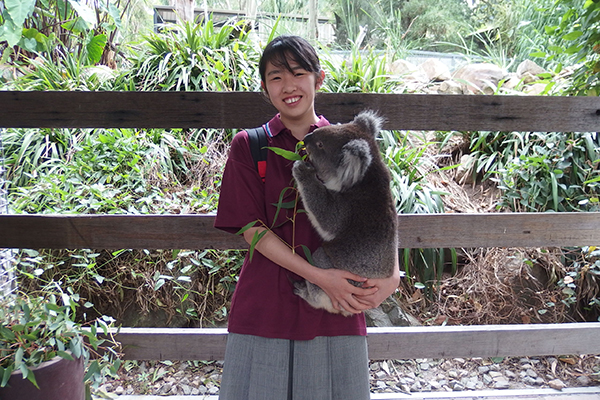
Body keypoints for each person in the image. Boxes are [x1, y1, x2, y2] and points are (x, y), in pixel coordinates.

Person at [214, 35, 401, 400]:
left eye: (298, 73)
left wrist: (392, 273)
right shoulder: (249, 146)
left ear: (319, 78)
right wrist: (319, 277)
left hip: (335, 306)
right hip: (268, 301)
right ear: (265, 88)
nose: (288, 86)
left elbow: (380, 210)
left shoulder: (350, 144)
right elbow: (250, 229)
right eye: (275, 77)